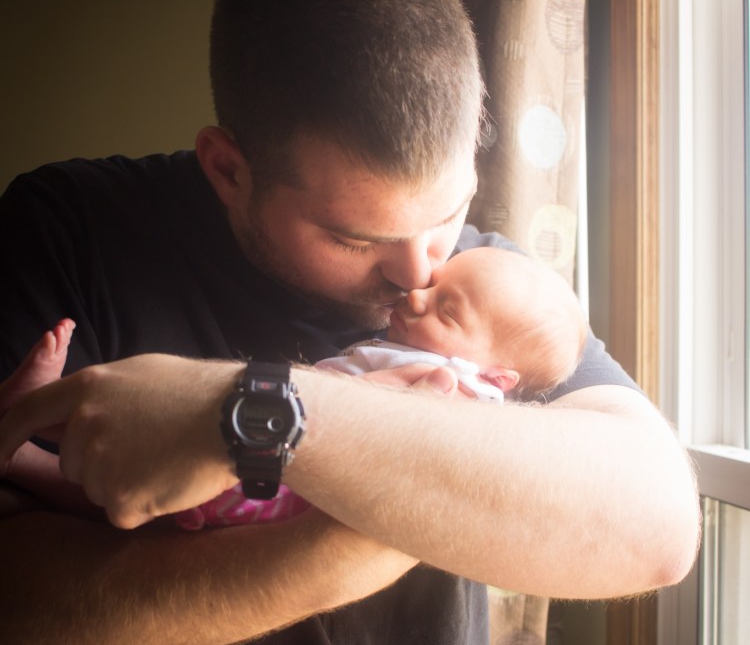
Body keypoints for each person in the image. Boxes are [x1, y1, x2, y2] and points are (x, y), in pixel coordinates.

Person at [0, 0, 698, 645]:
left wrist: (246, 415)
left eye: (447, 213)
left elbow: (652, 527)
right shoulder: (66, 236)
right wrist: (384, 528)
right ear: (227, 167)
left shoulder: (482, 287)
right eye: (354, 234)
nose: (417, 278)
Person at [3, 247, 588, 530]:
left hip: (274, 487)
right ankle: (31, 422)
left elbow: (397, 432)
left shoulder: (466, 392)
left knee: (130, 492)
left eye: (447, 309)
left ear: (497, 377)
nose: (414, 292)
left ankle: (24, 446)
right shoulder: (419, 346)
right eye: (437, 284)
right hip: (263, 449)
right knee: (125, 454)